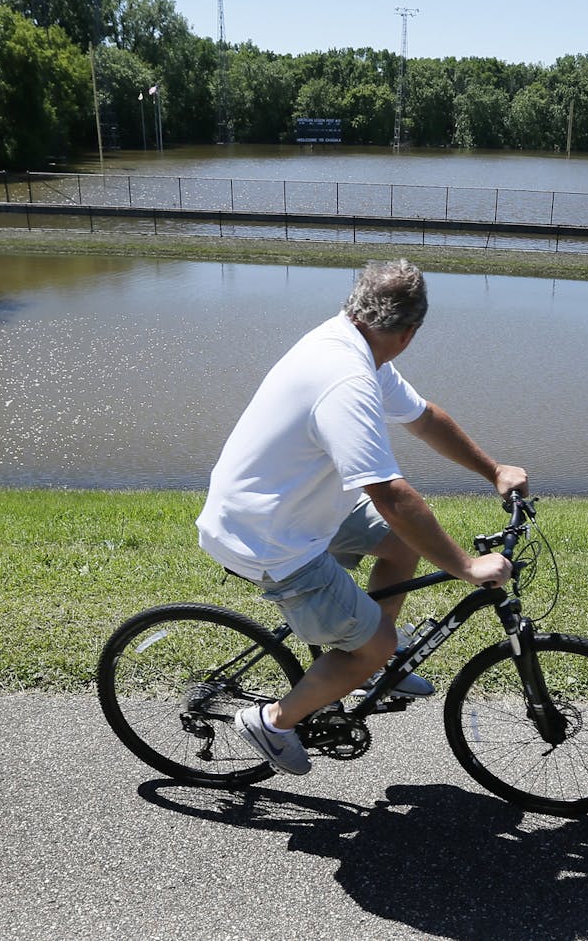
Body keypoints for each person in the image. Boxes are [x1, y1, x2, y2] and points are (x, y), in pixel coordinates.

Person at [196, 259, 528, 776]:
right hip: (269, 537)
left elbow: (423, 418)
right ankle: (273, 721)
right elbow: (392, 496)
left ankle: (378, 669)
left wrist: (495, 470)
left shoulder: (352, 341)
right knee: (373, 641)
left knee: (401, 543)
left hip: (292, 505)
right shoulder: (345, 378)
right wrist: (467, 566)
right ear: (410, 333)